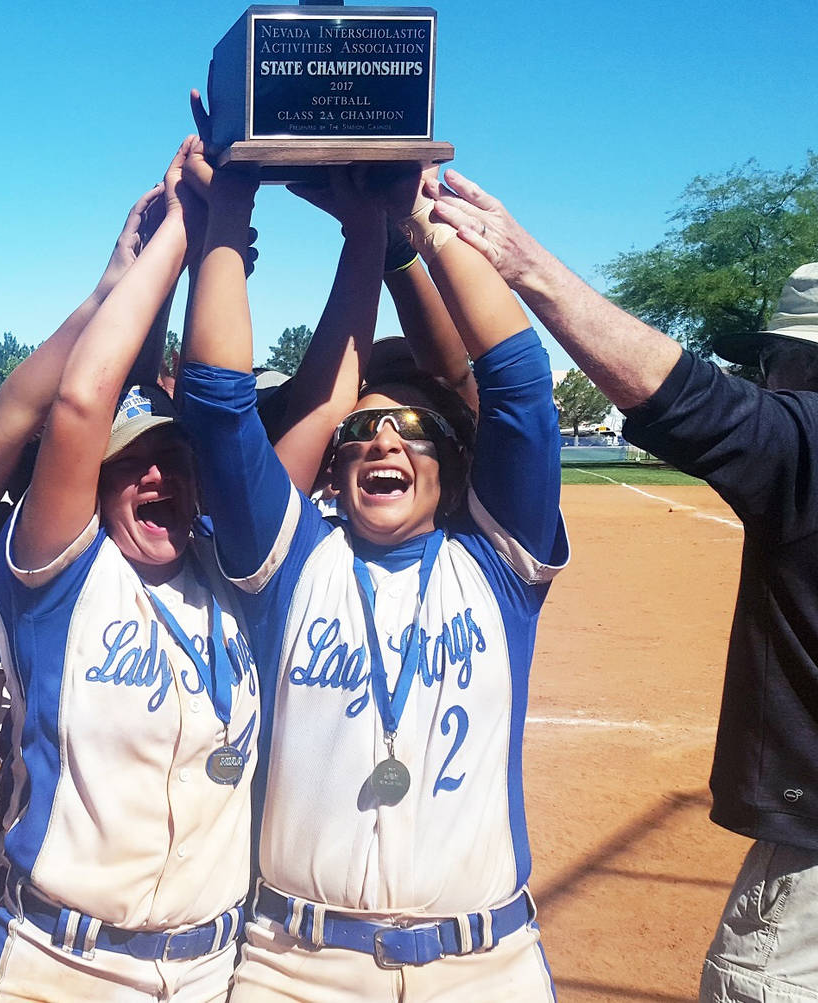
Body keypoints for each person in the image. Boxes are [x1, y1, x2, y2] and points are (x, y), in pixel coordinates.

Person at [429, 174, 818, 1001]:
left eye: (772, 361)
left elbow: (683, 396)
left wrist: (526, 265)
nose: (764, 379)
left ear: (810, 362)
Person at [178, 143, 566, 1000]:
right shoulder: (289, 566)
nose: (384, 439)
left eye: (412, 427)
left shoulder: (498, 569)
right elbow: (215, 401)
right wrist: (230, 214)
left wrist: (415, 224)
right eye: (360, 429)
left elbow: (520, 389)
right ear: (334, 466)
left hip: (483, 966)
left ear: (454, 466)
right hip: (297, 968)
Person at [0, 139, 259, 1003]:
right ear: (90, 487)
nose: (157, 474)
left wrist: (227, 253)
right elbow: (78, 403)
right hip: (60, 969)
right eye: (131, 462)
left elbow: (237, 403)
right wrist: (185, 225)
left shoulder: (240, 580)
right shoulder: (58, 578)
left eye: (176, 458)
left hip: (208, 970)